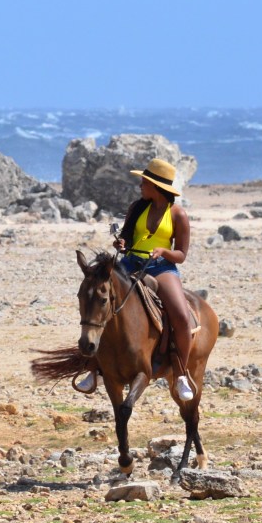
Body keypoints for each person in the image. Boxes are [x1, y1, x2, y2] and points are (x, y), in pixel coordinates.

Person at [75, 156, 196, 401]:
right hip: (130, 263)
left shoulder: (178, 215)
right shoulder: (137, 207)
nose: (140, 185)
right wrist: (122, 243)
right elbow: (127, 238)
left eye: (144, 182)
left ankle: (181, 372)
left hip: (161, 267)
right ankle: (95, 368)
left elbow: (181, 254)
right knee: (100, 302)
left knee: (182, 317)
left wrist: (163, 251)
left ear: (157, 186)